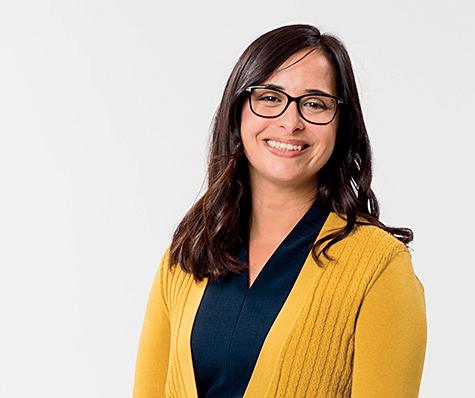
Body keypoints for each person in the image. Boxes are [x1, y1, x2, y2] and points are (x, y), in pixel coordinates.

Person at [133, 24, 427, 398]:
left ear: (341, 123)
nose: (291, 122)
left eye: (315, 103)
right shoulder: (189, 254)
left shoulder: (378, 266)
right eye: (270, 97)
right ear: (238, 110)